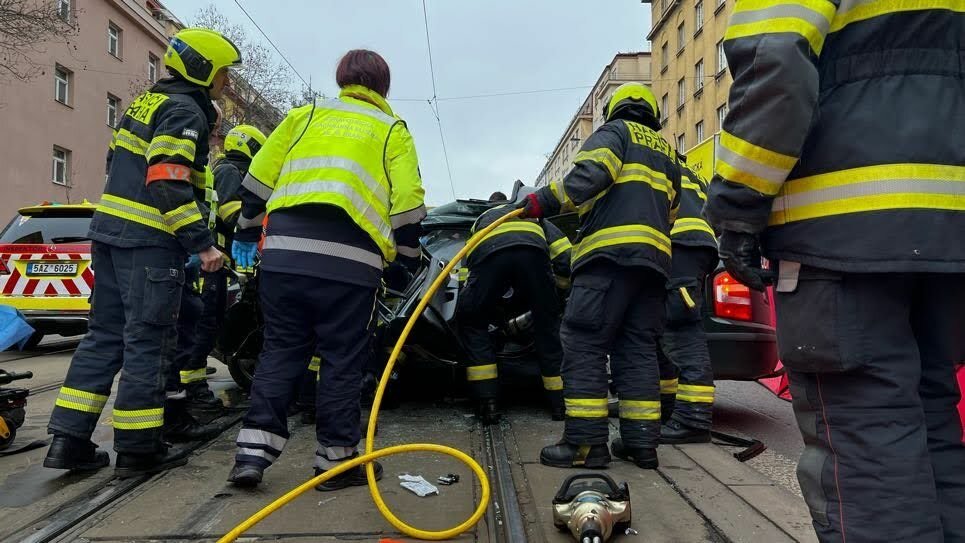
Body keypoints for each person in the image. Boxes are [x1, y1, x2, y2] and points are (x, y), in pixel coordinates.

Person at [705, 4, 964, 541]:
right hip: (948, 235)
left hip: (841, 235)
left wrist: (739, 203)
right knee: (931, 420)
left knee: (867, 438)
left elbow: (774, 54)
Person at [227, 49, 426, 491]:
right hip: (349, 267)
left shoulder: (304, 116)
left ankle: (251, 457)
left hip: (284, 258)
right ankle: (335, 464)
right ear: (383, 86)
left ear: (342, 79)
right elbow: (408, 203)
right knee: (341, 361)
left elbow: (258, 180)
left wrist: (244, 233)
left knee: (280, 352)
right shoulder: (390, 129)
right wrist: (405, 263)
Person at [44, 28, 237, 477]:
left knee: (103, 338)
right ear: (204, 67)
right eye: (224, 72)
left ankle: (67, 441)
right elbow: (167, 179)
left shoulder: (143, 103)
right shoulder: (185, 110)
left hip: (109, 236)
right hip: (148, 244)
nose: (226, 82)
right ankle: (138, 449)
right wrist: (202, 244)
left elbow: (119, 166)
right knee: (149, 343)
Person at [520, 82, 681, 470]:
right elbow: (672, 210)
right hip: (652, 266)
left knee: (584, 344)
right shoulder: (668, 154)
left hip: (608, 259)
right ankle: (642, 444)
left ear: (615, 108)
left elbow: (592, 174)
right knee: (637, 349)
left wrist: (543, 201)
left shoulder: (615, 132)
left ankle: (586, 444)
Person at [456, 189, 571, 424]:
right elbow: (564, 255)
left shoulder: (482, 220)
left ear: (490, 206)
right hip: (534, 256)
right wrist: (557, 293)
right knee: (547, 328)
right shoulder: (528, 213)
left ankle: (488, 404)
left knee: (473, 323)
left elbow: (467, 267)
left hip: (490, 257)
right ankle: (559, 405)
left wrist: (470, 302)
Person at [179, 124, 268, 410]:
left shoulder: (229, 169)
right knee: (205, 324)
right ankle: (191, 387)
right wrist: (256, 224)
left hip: (221, 261)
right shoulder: (230, 170)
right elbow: (231, 212)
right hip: (213, 263)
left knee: (210, 322)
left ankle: (192, 383)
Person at [657, 155, 718, 443]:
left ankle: (693, 418)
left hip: (679, 243)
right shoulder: (690, 173)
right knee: (663, 325)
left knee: (682, 329)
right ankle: (667, 406)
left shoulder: (651, 163)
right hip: (698, 245)